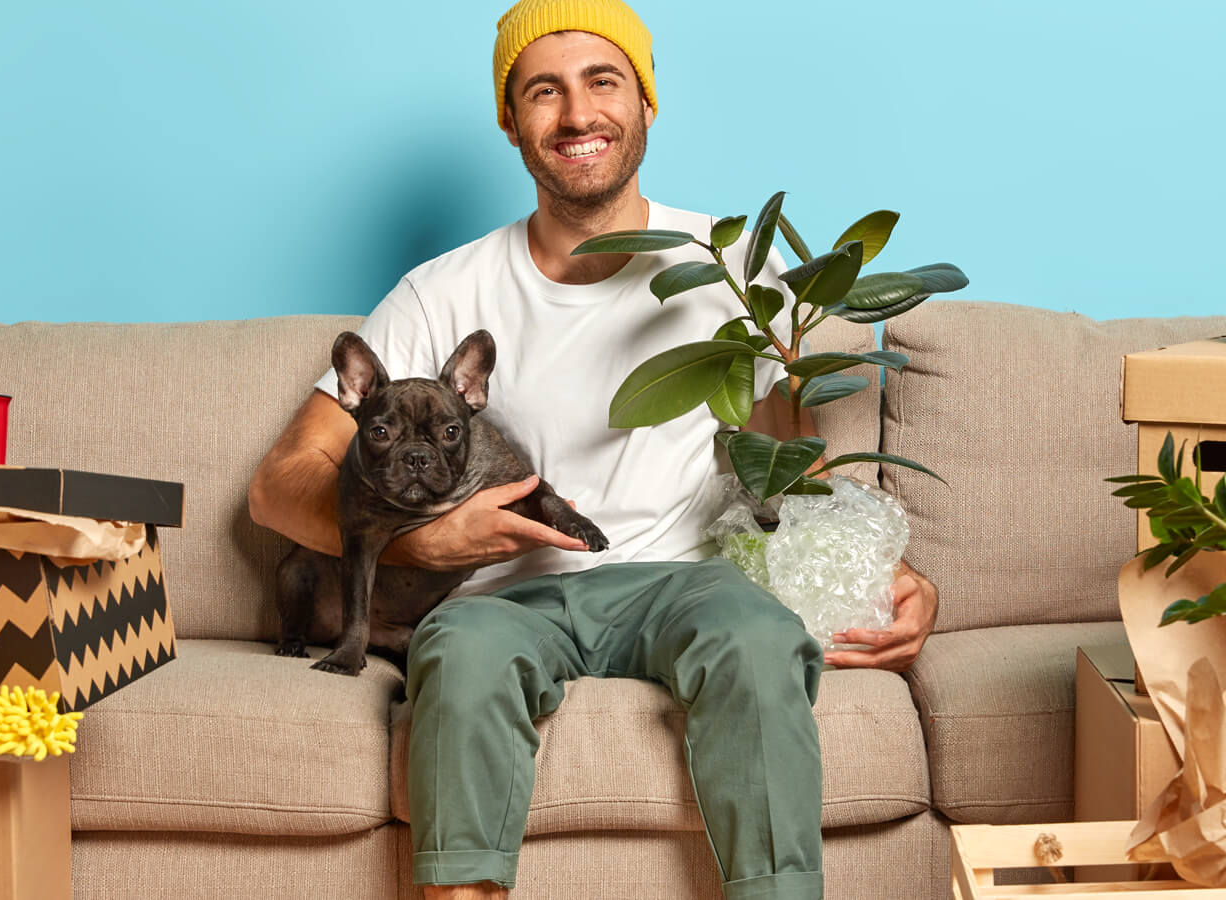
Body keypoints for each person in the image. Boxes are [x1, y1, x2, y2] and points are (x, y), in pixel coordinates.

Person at [247, 2, 938, 896]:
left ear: (647, 101)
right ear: (511, 121)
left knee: (761, 642)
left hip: (686, 581)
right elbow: (279, 485)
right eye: (544, 91)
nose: (577, 116)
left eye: (603, 81)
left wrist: (887, 572)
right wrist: (419, 543)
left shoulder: (730, 271)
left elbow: (787, 472)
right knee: (456, 658)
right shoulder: (439, 293)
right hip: (505, 595)